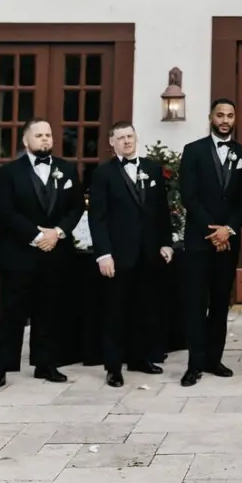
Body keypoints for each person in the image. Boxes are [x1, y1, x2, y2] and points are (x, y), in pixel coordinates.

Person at [0, 119, 83, 391]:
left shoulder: (66, 169)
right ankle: (1, 368)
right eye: (39, 135)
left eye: (48, 135)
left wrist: (56, 233)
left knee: (49, 310)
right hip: (19, 254)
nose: (45, 140)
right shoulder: (10, 172)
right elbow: (5, 211)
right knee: (12, 314)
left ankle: (45, 364)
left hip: (55, 253)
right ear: (26, 141)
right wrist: (36, 236)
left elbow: (76, 206)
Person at [89, 121, 174, 388]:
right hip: (118, 254)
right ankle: (113, 367)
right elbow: (98, 218)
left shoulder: (152, 169)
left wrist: (166, 242)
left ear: (136, 138)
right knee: (115, 311)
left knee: (144, 308)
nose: (126, 141)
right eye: (120, 138)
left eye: (130, 136)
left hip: (148, 253)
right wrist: (104, 254)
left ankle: (140, 358)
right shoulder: (103, 174)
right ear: (112, 143)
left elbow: (162, 210)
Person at [178, 99, 242, 387]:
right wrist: (213, 230)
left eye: (230, 115)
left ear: (235, 119)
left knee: (221, 303)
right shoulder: (193, 151)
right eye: (220, 115)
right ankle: (194, 363)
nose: (224, 119)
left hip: (228, 243)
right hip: (199, 240)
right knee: (196, 303)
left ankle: (213, 359)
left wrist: (229, 229)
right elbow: (189, 196)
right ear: (210, 117)